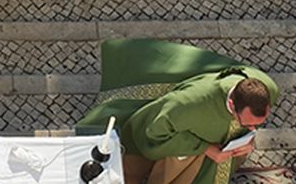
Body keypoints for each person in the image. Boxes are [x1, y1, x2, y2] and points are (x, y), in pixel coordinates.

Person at [110, 57, 279, 184]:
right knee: (178, 159)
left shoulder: (268, 89)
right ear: (232, 105)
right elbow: (155, 132)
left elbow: (250, 125)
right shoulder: (190, 103)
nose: (253, 128)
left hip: (219, 146)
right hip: (179, 146)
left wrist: (249, 142)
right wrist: (206, 148)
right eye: (247, 124)